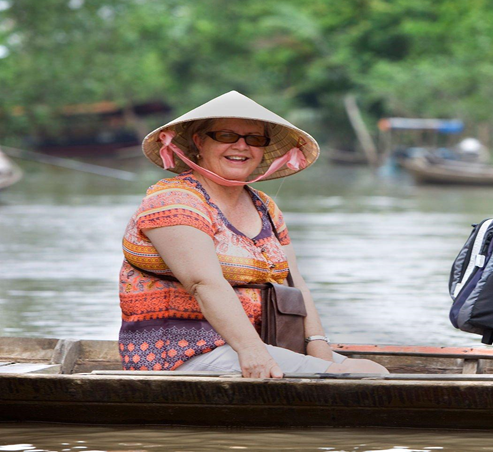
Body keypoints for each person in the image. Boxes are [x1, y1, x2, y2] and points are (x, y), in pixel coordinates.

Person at [119, 91, 387, 378]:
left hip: (265, 343)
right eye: (226, 135)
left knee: (374, 371)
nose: (241, 146)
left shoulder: (265, 206)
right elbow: (203, 283)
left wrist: (318, 346)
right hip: (182, 352)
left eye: (254, 139)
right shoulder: (173, 200)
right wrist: (251, 350)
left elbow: (297, 285)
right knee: (358, 378)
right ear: (199, 142)